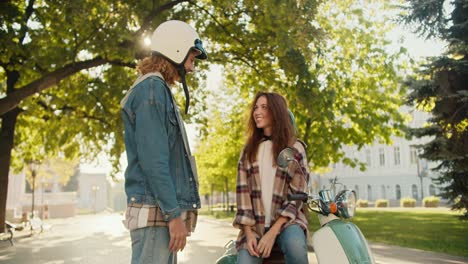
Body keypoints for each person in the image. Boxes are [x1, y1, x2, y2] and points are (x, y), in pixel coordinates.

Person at [120, 20, 207, 264]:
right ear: (176, 51)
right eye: (192, 58)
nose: (192, 68)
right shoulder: (152, 90)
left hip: (158, 213)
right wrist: (173, 216)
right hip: (155, 213)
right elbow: (154, 161)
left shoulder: (156, 90)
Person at [233, 92, 310, 264]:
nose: (257, 112)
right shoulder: (248, 151)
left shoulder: (295, 149)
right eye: (256, 107)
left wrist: (273, 231)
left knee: (295, 245)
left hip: (287, 223)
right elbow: (243, 196)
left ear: (276, 111)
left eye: (264, 107)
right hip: (255, 226)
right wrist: (248, 232)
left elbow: (298, 193)